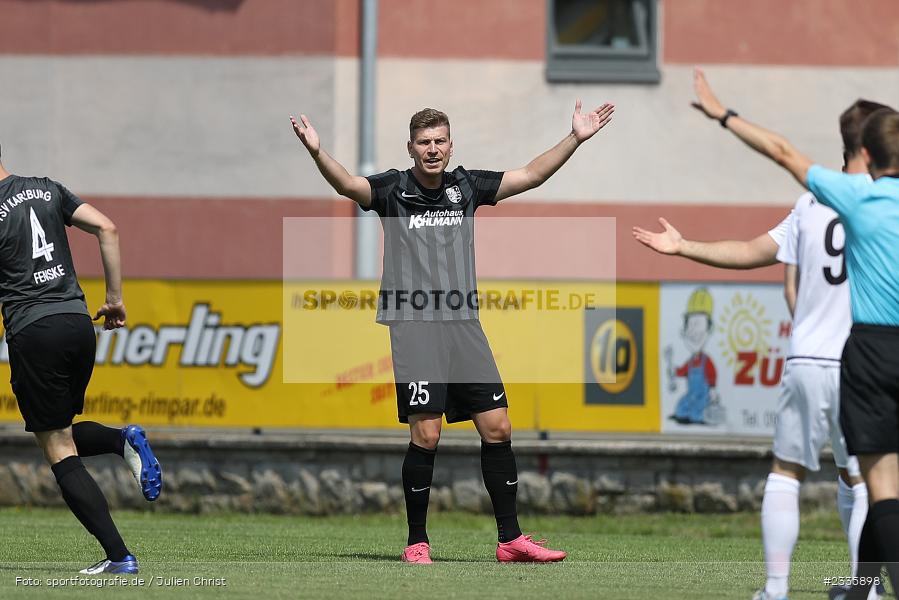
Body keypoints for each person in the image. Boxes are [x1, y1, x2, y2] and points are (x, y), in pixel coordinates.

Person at [291, 101, 614, 563]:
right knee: (427, 435)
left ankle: (511, 541)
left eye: (440, 140)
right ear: (411, 147)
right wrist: (318, 153)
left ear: (450, 145)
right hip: (415, 327)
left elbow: (530, 175)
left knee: (498, 426)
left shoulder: (467, 185)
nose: (433, 149)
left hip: (464, 325)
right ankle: (416, 542)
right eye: (424, 142)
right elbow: (348, 184)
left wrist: (575, 139)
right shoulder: (392, 190)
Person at [634, 98, 892, 600]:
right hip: (860, 361)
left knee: (786, 472)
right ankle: (867, 586)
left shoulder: (809, 205)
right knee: (862, 479)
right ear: (876, 148)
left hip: (804, 358)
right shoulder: (887, 205)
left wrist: (685, 246)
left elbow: (753, 253)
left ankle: (775, 589)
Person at [0, 147, 162, 574]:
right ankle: (120, 441)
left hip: (34, 330)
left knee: (56, 447)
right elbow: (107, 228)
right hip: (77, 321)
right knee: (61, 433)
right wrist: (115, 299)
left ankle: (119, 556)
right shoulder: (46, 188)